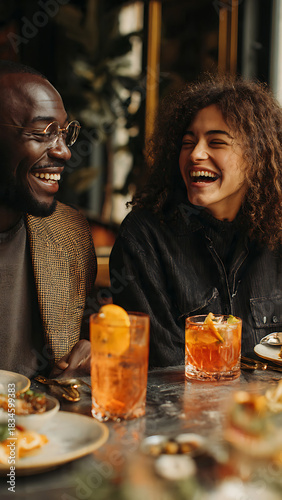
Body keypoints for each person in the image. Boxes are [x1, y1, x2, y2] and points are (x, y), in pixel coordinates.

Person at [110, 75, 282, 368]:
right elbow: (166, 366)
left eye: (216, 142)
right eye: (187, 142)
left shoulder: (277, 232)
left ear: (257, 156)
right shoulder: (144, 238)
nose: (196, 154)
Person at [0, 60, 96, 378]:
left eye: (65, 133)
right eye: (44, 133)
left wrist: (92, 348)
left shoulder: (70, 233)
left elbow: (87, 338)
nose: (64, 152)